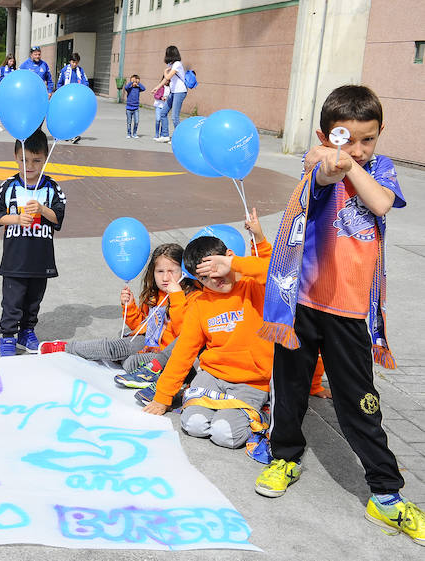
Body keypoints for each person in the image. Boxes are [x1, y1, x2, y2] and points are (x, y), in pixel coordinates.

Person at [254, 85, 423, 545]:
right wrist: (332, 161)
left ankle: (385, 494)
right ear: (325, 136)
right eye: (348, 138)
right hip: (302, 302)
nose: (359, 148)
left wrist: (349, 162)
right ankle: (284, 455)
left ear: (379, 134)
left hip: (349, 311)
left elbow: (382, 203)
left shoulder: (380, 169)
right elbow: (323, 174)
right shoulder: (319, 163)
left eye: (369, 139)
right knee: (290, 388)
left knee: (360, 401)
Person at [141, 232, 274, 452]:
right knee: (193, 424)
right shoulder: (200, 305)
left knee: (225, 433)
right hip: (212, 376)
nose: (214, 280)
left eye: (216, 269)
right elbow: (183, 352)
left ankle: (263, 412)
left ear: (228, 257)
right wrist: (163, 396)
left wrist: (236, 263)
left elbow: (276, 272)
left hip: (251, 382)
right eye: (204, 278)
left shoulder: (254, 286)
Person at [39, 243, 200, 385]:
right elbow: (140, 327)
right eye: (160, 271)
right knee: (112, 346)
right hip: (148, 343)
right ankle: (65, 347)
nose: (165, 277)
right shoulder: (154, 295)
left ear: (184, 272)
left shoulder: (193, 297)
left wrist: (177, 297)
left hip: (169, 354)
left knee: (131, 363)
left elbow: (183, 334)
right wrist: (129, 307)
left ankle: (125, 360)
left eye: (172, 271)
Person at [0, 129, 66, 356]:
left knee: (34, 300)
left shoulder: (52, 188)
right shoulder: (8, 186)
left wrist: (42, 209)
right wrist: (16, 218)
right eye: (24, 160)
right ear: (15, 157)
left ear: (45, 159)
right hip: (15, 258)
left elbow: (58, 218)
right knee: (12, 301)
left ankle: (27, 332)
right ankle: (7, 336)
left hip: (41, 258)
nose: (29, 165)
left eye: (36, 160)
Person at [149, 45, 188, 143]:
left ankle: (179, 138)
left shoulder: (177, 64)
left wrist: (165, 72)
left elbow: (168, 77)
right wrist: (157, 87)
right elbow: (166, 79)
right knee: (163, 113)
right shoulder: (171, 65)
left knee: (175, 116)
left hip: (180, 91)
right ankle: (165, 135)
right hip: (173, 92)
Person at [0, 54, 16, 132]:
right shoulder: (2, 69)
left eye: (13, 61)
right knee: (0, 107)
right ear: (7, 61)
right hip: (3, 90)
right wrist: (8, 80)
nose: (12, 63)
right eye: (10, 61)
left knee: (11, 107)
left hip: (11, 91)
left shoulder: (14, 69)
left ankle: (9, 124)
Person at [124, 74, 145, 139]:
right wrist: (131, 82)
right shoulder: (129, 88)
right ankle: (129, 133)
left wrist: (138, 83)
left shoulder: (138, 88)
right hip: (129, 108)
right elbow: (126, 87)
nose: (134, 82)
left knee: (136, 121)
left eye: (136, 81)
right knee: (129, 122)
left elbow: (144, 88)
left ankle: (134, 133)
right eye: (133, 81)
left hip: (136, 108)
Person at [153, 74, 170, 141]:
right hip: (158, 105)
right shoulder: (160, 87)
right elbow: (155, 95)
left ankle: (162, 134)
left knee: (163, 120)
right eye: (166, 80)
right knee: (158, 119)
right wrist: (161, 98)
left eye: (168, 80)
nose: (167, 81)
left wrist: (167, 99)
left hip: (165, 106)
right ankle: (157, 134)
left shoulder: (170, 88)